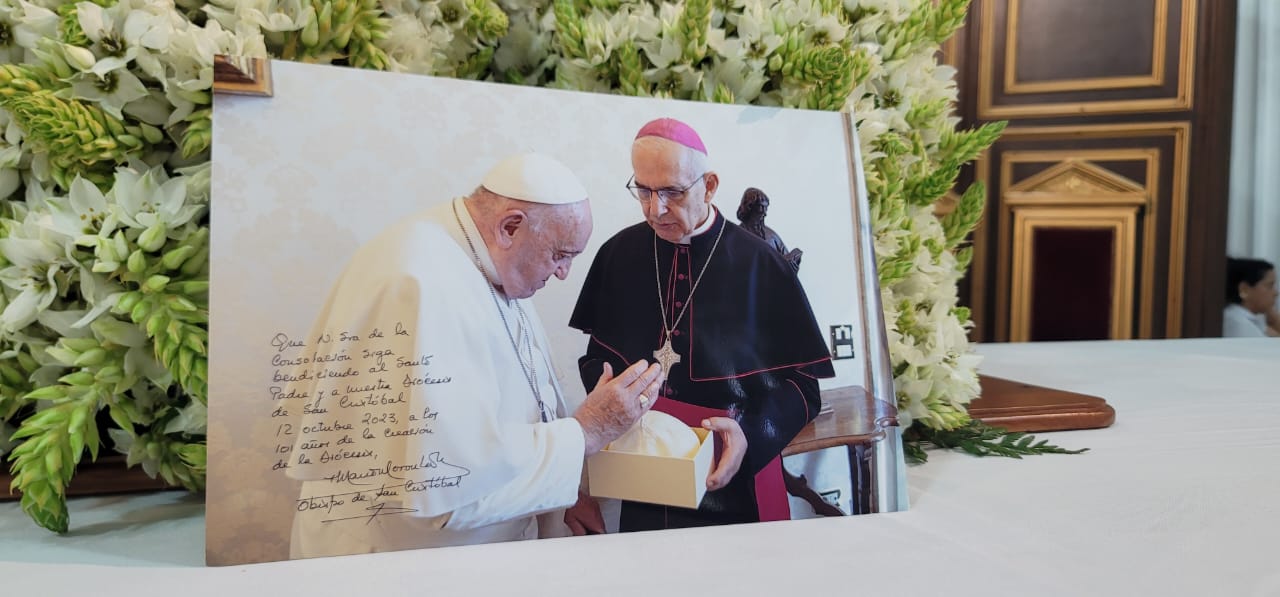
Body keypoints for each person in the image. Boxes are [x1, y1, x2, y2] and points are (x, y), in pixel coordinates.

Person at [284, 153, 664, 558]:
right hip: (394, 563)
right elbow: (447, 488)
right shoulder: (423, 283)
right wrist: (588, 431)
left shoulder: (479, 258)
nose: (563, 273)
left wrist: (563, 490)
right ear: (510, 226)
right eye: (560, 254)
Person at [567, 118, 836, 532]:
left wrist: (751, 435)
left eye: (671, 192)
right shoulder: (619, 254)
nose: (654, 209)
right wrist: (608, 394)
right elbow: (598, 357)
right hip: (646, 474)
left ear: (709, 185)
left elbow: (804, 387)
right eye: (643, 190)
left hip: (736, 479)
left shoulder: (759, 264)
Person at [737, 187, 802, 271]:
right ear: (750, 207)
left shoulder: (771, 235)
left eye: (766, 208)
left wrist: (791, 264)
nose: (765, 213)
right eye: (761, 207)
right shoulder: (737, 236)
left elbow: (787, 257)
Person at [1223, 257, 1279, 337]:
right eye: (1269, 286)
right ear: (1244, 289)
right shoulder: (1239, 324)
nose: (1276, 293)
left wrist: (1274, 319)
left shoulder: (1253, 319)